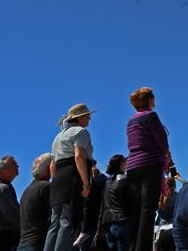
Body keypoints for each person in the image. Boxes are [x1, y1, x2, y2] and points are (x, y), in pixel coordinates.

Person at [45, 103, 96, 251]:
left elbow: (52, 165)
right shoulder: (81, 132)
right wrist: (86, 183)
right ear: (80, 118)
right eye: (88, 116)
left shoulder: (57, 137)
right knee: (68, 221)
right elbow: (79, 156)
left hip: (58, 180)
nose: (89, 119)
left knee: (54, 224)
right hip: (72, 177)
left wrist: (55, 183)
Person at [126, 87, 171, 251]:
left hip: (132, 167)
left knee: (135, 211)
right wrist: (166, 153)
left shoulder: (131, 120)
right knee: (147, 211)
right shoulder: (151, 116)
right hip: (149, 165)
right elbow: (162, 141)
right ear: (150, 100)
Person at [17, 153, 53, 251]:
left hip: (23, 244)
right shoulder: (46, 187)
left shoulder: (27, 190)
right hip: (38, 244)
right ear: (50, 168)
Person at [97, 155, 128, 251]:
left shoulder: (106, 182)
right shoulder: (125, 181)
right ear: (121, 164)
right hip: (121, 221)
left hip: (107, 223)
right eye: (125, 161)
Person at [154, 177, 177, 251]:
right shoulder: (177, 196)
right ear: (173, 187)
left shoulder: (159, 198)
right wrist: (179, 178)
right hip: (173, 230)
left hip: (160, 232)